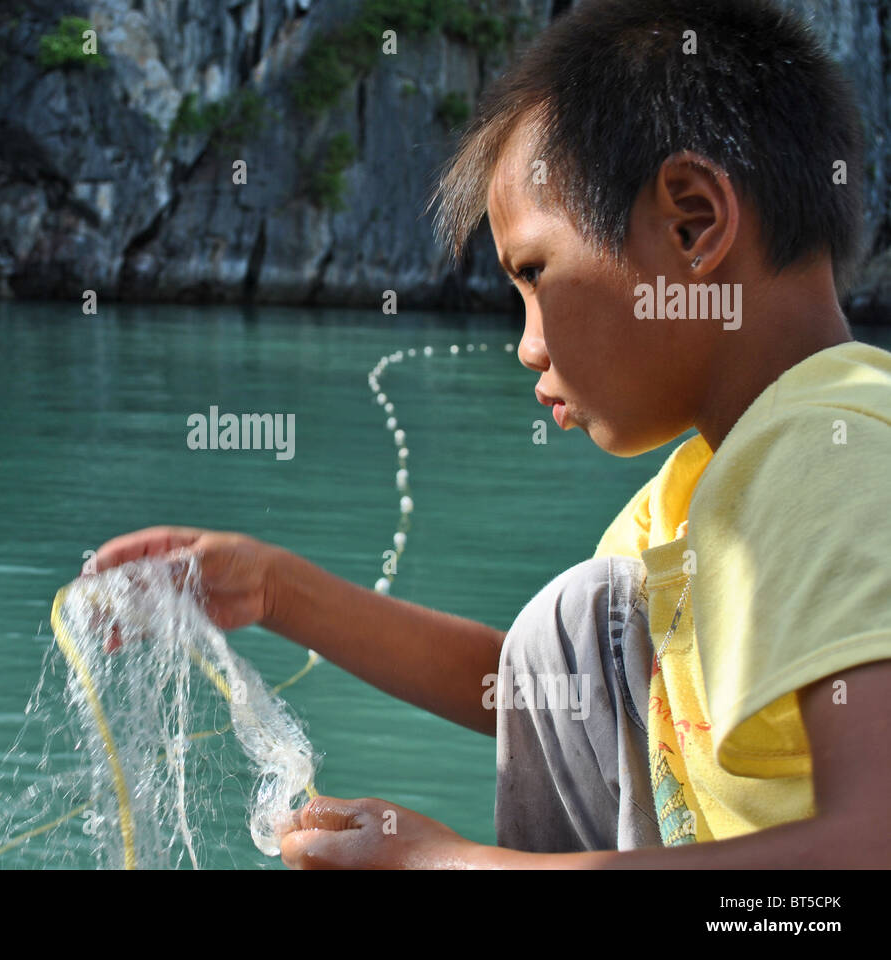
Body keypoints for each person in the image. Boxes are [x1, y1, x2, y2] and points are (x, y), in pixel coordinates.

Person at [90, 0, 891, 868]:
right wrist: (279, 591)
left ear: (693, 224)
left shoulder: (834, 457)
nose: (527, 344)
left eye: (536, 275)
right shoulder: (708, 487)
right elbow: (538, 687)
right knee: (576, 624)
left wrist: (454, 864)